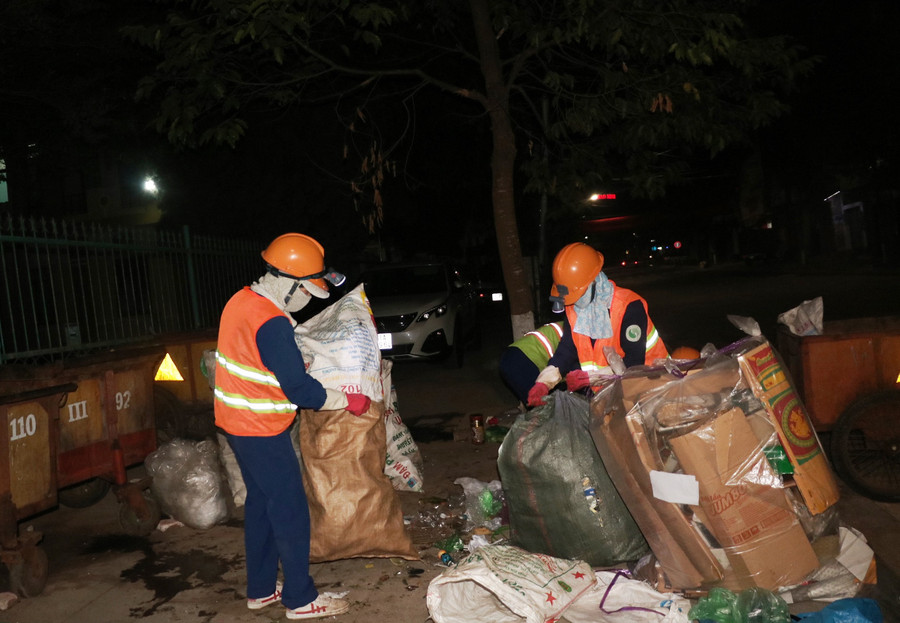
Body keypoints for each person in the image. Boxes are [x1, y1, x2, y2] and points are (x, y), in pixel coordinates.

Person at [214, 232, 370, 620]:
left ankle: (261, 589)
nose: (306, 300)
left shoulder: (241, 300)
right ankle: (301, 599)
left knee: (262, 506)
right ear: (287, 283)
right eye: (305, 291)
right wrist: (347, 399)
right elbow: (300, 390)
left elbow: (259, 361)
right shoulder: (272, 322)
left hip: (236, 423)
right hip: (260, 428)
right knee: (290, 509)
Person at [527, 242, 668, 407]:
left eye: (577, 294)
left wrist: (591, 377)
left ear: (594, 282)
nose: (573, 302)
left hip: (650, 387)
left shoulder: (628, 307)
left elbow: (635, 364)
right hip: (609, 392)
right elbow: (567, 349)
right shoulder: (575, 308)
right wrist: (544, 381)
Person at [499, 321, 565, 404]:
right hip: (523, 361)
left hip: (511, 356)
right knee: (541, 407)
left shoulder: (571, 324)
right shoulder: (577, 333)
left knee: (539, 406)